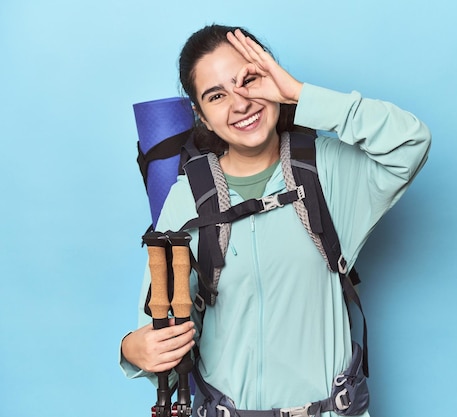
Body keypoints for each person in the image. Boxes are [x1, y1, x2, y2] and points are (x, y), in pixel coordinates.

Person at [120, 24, 431, 417]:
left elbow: (411, 142)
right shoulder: (187, 197)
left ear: (271, 75)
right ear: (201, 115)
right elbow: (159, 331)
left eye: (249, 80)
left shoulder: (326, 171)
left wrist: (300, 95)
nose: (240, 103)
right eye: (217, 95)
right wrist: (133, 349)